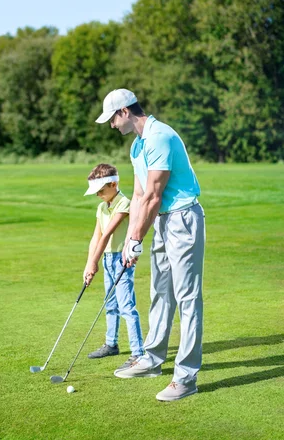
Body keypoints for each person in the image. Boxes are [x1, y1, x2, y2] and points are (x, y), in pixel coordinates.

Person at [92, 88, 205, 402]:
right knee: (160, 293)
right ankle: (152, 359)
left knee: (187, 298)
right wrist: (131, 240)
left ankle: (186, 378)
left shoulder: (159, 138)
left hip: (183, 218)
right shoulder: (138, 146)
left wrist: (137, 237)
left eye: (113, 119)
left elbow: (155, 195)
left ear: (125, 111)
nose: (112, 125)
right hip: (163, 221)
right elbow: (140, 196)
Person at [83, 163, 144, 372]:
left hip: (121, 259)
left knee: (127, 306)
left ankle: (138, 353)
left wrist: (94, 262)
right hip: (107, 258)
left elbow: (108, 233)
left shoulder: (124, 203)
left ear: (113, 184)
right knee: (110, 304)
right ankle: (111, 344)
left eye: (101, 190)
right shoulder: (102, 207)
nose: (98, 195)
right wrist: (88, 264)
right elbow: (96, 237)